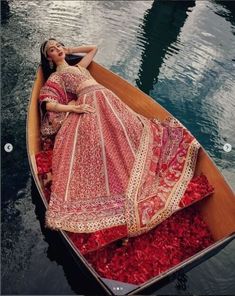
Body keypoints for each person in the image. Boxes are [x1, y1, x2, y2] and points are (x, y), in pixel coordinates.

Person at [38, 38, 213, 251]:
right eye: (53, 50)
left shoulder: (78, 67)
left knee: (127, 130)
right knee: (102, 141)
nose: (58, 50)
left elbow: (94, 48)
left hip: (106, 98)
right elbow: (47, 102)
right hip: (89, 103)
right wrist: (72, 109)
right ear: (49, 57)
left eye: (58, 46)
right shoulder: (57, 76)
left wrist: (71, 50)